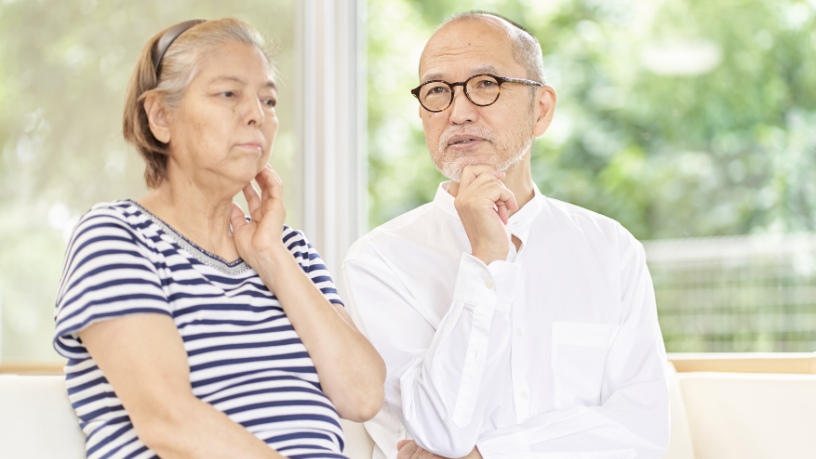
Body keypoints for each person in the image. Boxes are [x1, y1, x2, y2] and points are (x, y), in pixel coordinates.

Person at [343, 12, 669, 459]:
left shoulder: (612, 251)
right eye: (438, 91)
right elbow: (435, 435)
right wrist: (487, 262)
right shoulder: (379, 262)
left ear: (541, 109)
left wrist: (489, 454)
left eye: (485, 84)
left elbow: (643, 430)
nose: (458, 113)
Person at [53, 18, 385, 459]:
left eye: (268, 100)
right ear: (160, 116)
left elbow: (362, 396)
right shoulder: (116, 236)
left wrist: (272, 256)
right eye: (229, 94)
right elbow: (170, 421)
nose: (257, 115)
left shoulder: (290, 251)